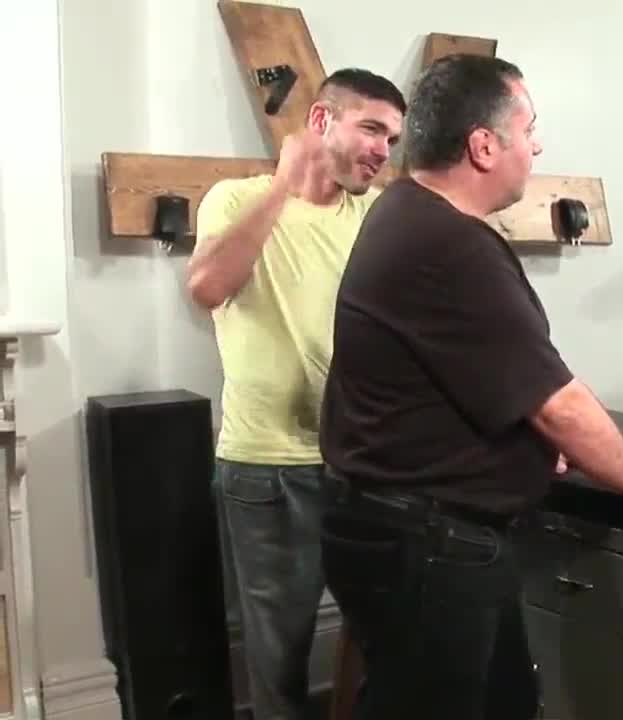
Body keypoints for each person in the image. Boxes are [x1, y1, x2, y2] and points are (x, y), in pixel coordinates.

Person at [316, 54, 623, 719]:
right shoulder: (449, 243)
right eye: (529, 128)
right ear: (484, 146)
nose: (537, 146)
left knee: (502, 701)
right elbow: (558, 403)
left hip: (408, 534)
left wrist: (525, 443)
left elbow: (470, 373)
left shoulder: (406, 210)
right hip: (427, 546)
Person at [187, 68, 406, 720]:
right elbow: (207, 288)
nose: (382, 150)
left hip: (364, 463)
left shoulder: (378, 216)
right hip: (268, 468)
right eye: (371, 128)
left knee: (389, 635)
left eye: (392, 139)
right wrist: (284, 186)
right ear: (320, 120)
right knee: (279, 658)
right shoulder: (236, 199)